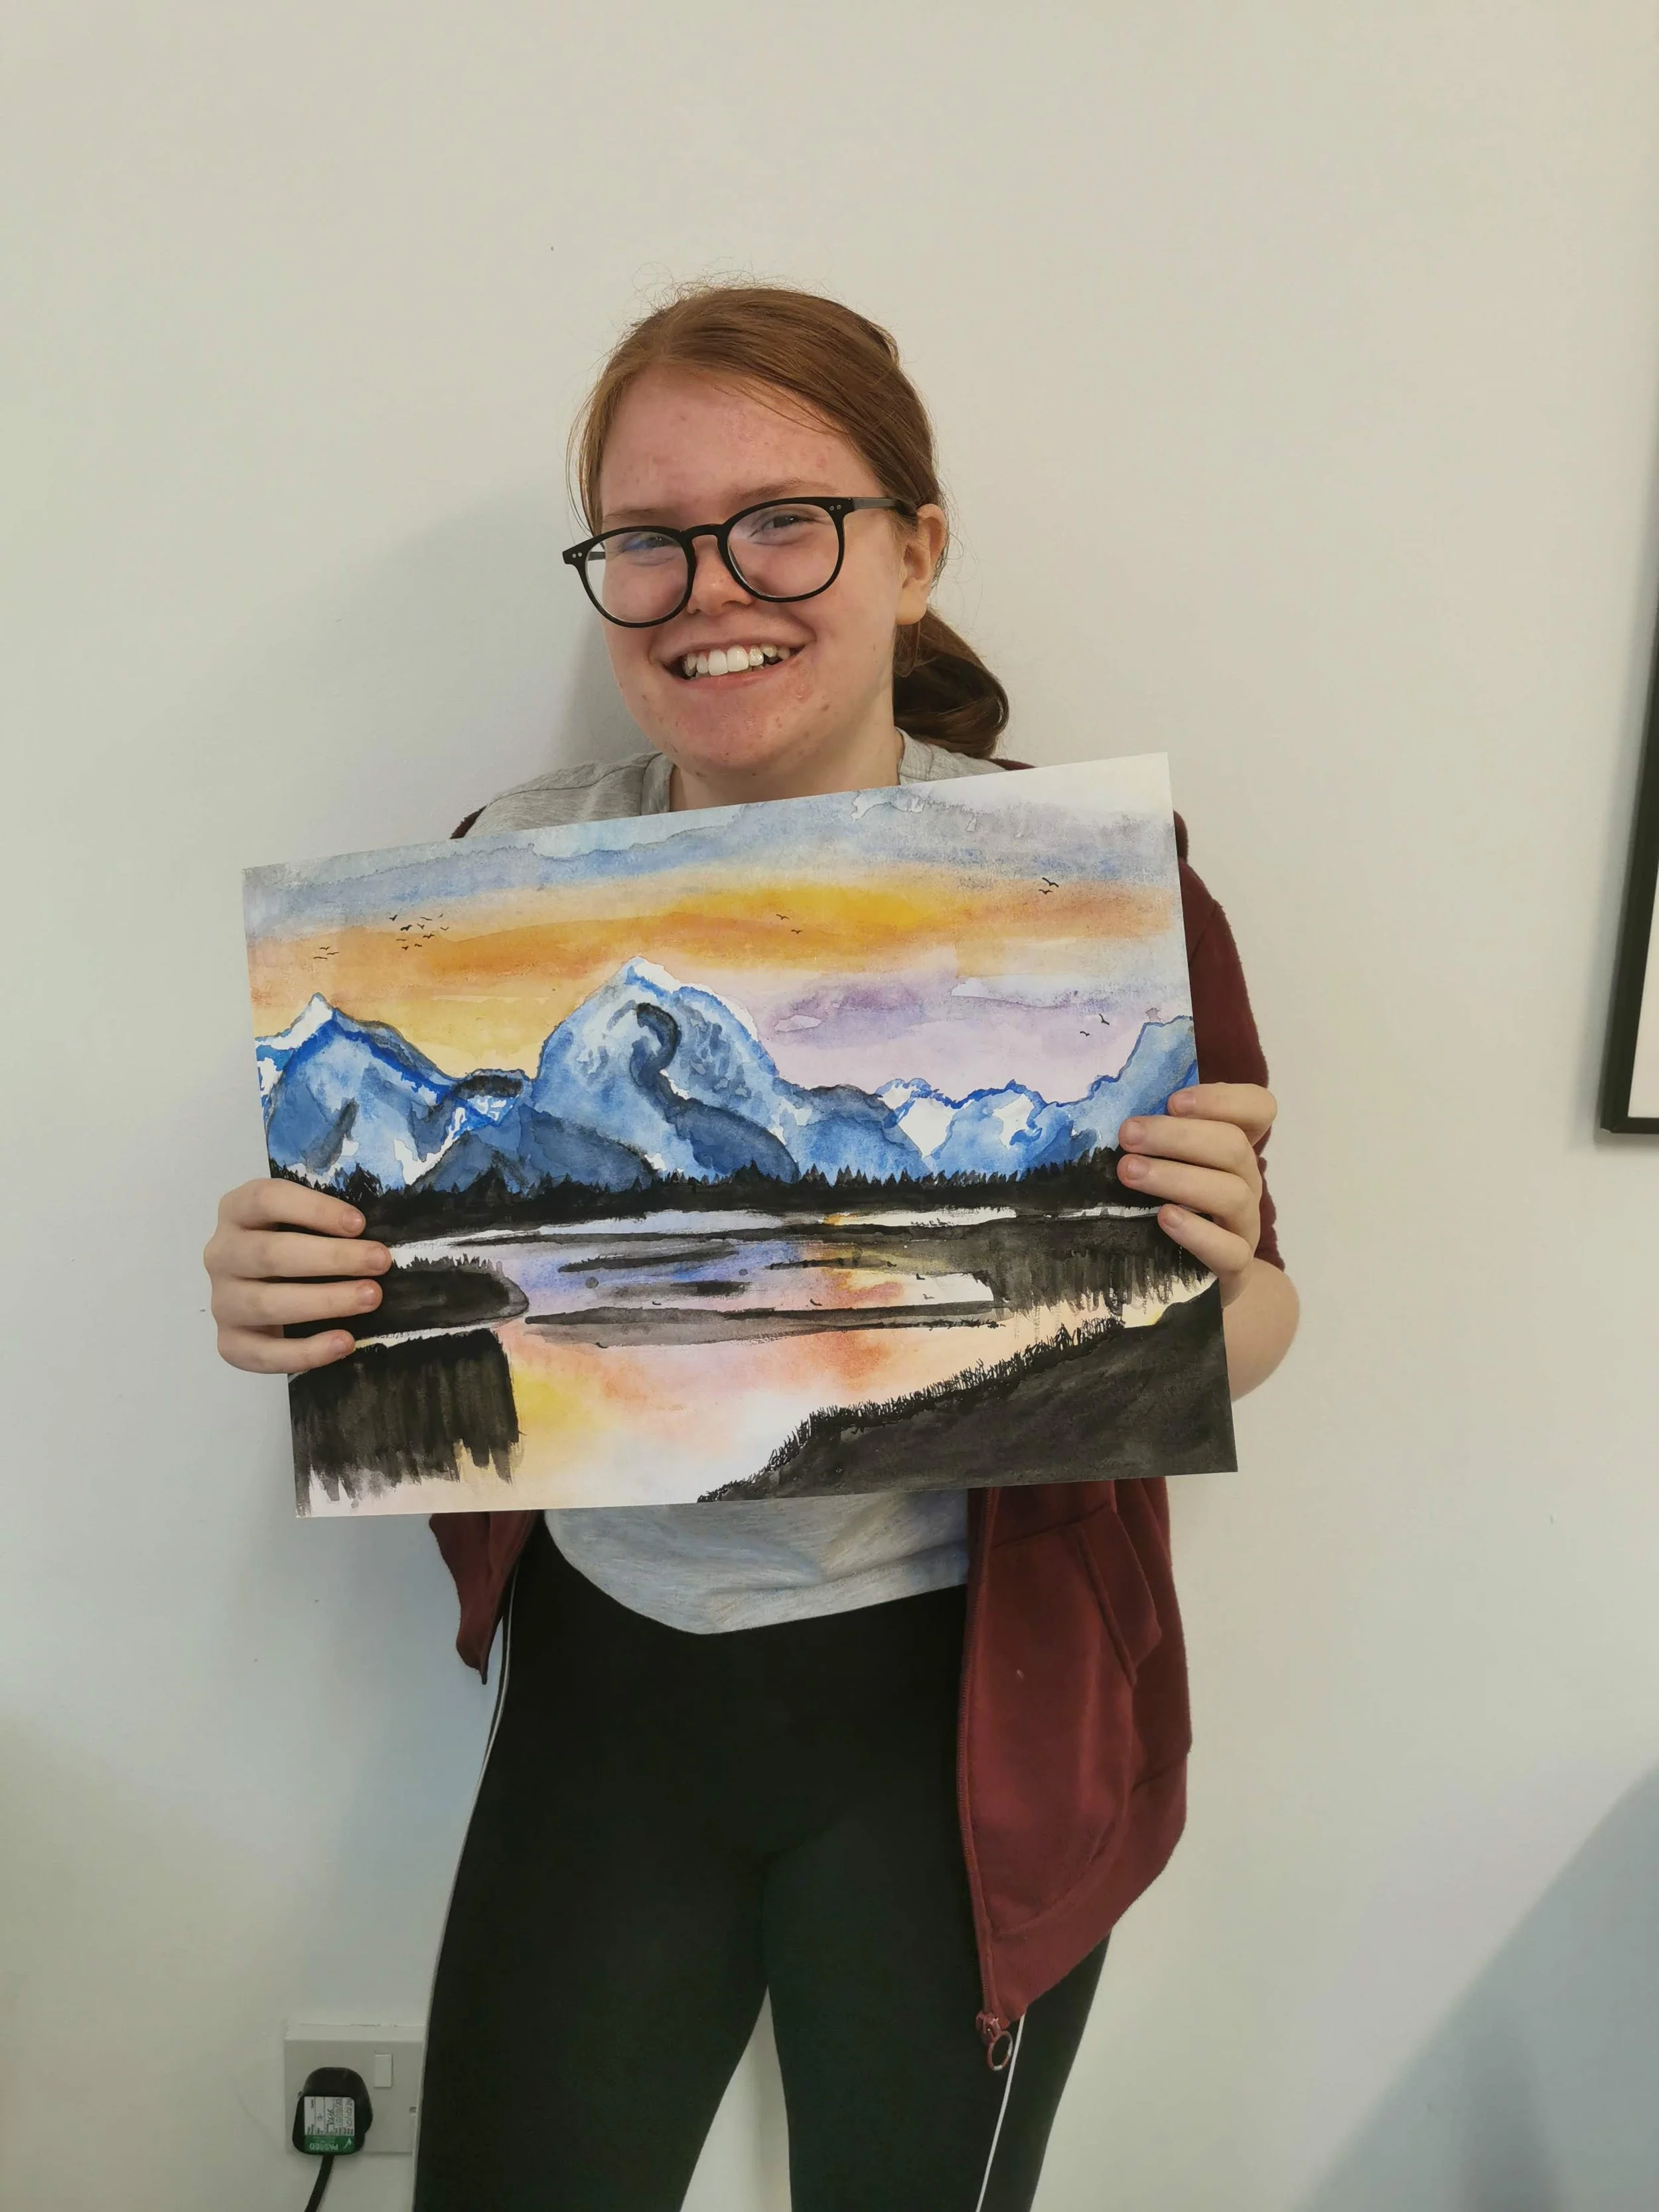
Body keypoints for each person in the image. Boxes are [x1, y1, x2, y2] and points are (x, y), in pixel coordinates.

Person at [204, 284, 1299, 2211]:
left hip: (966, 1713)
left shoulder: (1090, 898)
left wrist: (1214, 1288)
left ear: (913, 546)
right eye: (647, 539)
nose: (714, 584)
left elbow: (1256, 1318)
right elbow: (386, 1305)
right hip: (610, 1688)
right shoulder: (494, 881)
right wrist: (290, 1296)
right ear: (606, 577)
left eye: (782, 518)